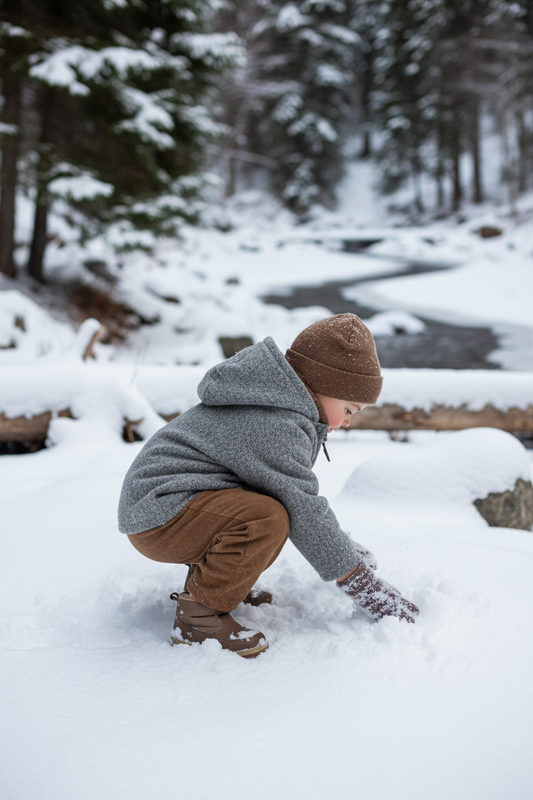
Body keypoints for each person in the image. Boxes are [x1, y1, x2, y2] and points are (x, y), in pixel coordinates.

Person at [118, 313, 418, 658]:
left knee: (266, 509)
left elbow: (294, 499)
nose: (349, 422)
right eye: (350, 409)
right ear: (324, 386)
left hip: (170, 504)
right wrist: (360, 581)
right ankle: (197, 619)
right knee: (266, 518)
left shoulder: (274, 403)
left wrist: (343, 549)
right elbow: (303, 508)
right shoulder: (275, 423)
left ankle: (221, 586)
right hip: (160, 513)